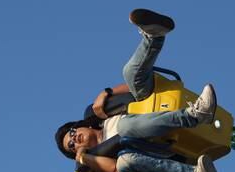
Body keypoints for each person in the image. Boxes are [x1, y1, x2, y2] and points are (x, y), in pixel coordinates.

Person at [54, 9, 217, 162]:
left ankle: (155, 36)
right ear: (77, 153)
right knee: (125, 126)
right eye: (71, 146)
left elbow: (130, 88)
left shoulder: (102, 116)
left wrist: (107, 92)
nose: (74, 139)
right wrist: (87, 160)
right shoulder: (104, 159)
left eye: (72, 132)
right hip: (147, 140)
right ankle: (195, 116)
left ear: (81, 126)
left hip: (145, 102)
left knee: (128, 72)